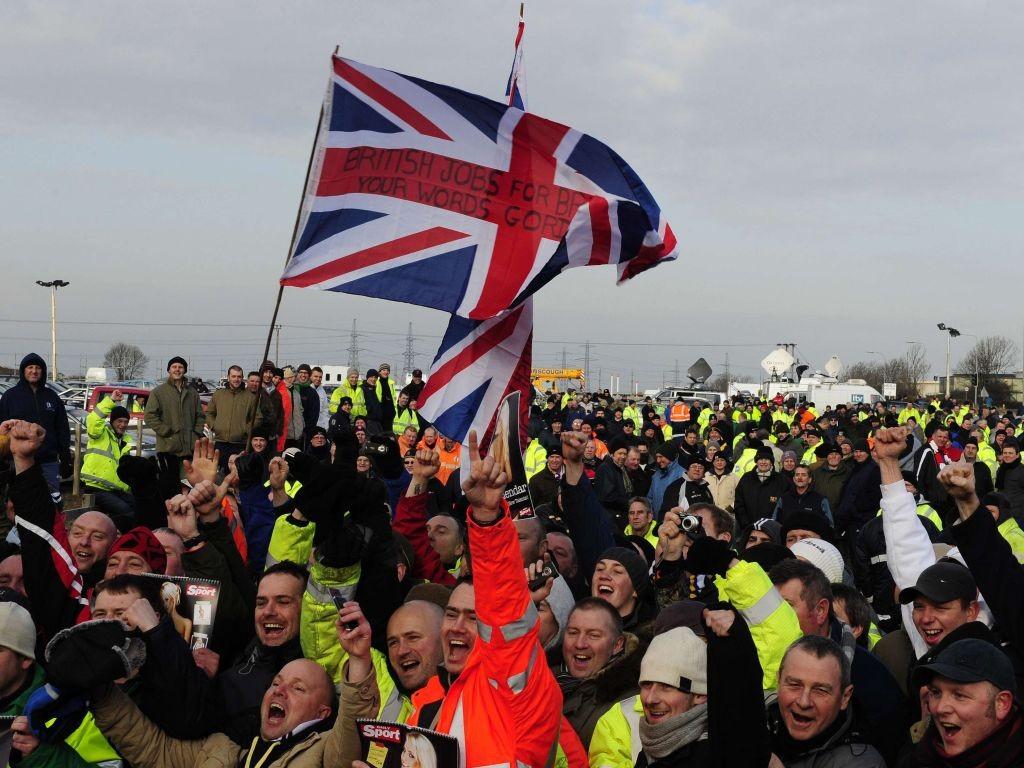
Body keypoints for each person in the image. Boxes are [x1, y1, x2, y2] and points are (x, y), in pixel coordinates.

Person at [90, 657, 346, 768]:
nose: (279, 691)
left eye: (298, 688)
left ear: (322, 713)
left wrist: (357, 662)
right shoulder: (221, 747)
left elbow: (351, 731)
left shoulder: (326, 751)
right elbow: (155, 750)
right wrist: (99, 690)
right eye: (276, 683)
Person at [904, 638, 1024, 766]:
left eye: (959, 695)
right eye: (936, 693)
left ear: (1001, 704)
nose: (940, 708)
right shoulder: (919, 755)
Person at [769, 636, 885, 768]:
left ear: (845, 697)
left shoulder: (863, 763)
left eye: (820, 690)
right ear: (778, 682)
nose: (804, 702)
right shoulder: (753, 726)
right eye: (795, 685)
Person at [0, 353, 70, 493]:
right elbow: (2, 430)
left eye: (38, 367)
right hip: (19, 463)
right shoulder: (10, 397)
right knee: (23, 504)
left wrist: (65, 457)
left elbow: (62, 428)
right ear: (23, 370)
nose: (34, 371)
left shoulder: (52, 396)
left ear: (43, 371)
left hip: (48, 462)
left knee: (52, 503)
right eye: (30, 367)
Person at [145, 356, 205, 497]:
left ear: (184, 370)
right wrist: (166, 431)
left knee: (188, 488)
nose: (177, 370)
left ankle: (188, 516)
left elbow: (200, 416)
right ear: (169, 370)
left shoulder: (192, 393)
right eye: (174, 367)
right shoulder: (158, 392)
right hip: (168, 449)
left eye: (180, 367)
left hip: (188, 450)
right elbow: (150, 416)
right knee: (169, 490)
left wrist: (196, 433)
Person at [80, 388, 136, 526]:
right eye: (119, 421)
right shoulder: (100, 434)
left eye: (125, 422)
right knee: (126, 511)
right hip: (96, 488)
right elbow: (93, 420)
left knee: (139, 505)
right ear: (112, 421)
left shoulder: (125, 441)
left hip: (115, 490)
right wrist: (111, 401)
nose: (122, 425)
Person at [205, 366, 259, 473]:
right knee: (220, 474)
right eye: (233, 376)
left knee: (239, 474)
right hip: (221, 443)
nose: (236, 379)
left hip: (240, 444)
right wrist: (214, 425)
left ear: (242, 378)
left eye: (239, 376)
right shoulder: (218, 395)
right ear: (228, 377)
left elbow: (257, 417)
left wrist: (246, 429)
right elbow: (209, 413)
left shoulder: (250, 397)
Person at [733, 447, 789, 531]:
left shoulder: (781, 480)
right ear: (756, 461)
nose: (763, 462)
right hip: (748, 529)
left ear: (771, 462)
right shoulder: (746, 478)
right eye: (760, 459)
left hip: (772, 531)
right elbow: (739, 504)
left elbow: (785, 507)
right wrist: (746, 525)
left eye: (766, 459)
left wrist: (775, 527)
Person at [294, 364, 320, 444]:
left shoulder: (312, 393)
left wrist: (306, 430)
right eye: (301, 372)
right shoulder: (292, 389)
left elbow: (314, 415)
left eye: (306, 373)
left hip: (304, 432)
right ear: (297, 374)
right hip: (291, 430)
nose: (303, 375)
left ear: (309, 375)